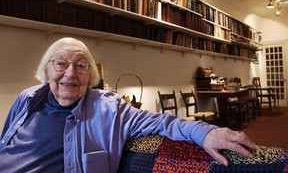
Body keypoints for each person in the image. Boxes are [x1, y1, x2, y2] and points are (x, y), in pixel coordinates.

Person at [0, 37, 258, 172]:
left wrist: (208, 132)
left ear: (90, 76)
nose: (70, 74)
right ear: (46, 70)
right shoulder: (28, 97)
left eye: (80, 66)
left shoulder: (108, 107)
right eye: (60, 64)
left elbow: (161, 121)